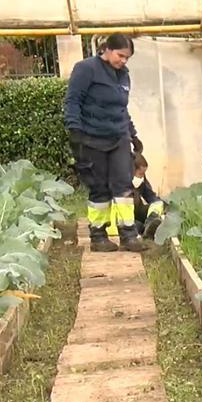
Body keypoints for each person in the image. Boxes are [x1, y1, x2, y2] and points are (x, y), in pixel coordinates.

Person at [64, 33, 146, 252]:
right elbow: (73, 101)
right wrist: (75, 131)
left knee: (124, 186)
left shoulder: (123, 75)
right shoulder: (86, 69)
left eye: (127, 58)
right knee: (99, 188)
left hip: (118, 137)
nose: (123, 61)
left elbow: (121, 108)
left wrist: (132, 134)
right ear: (107, 50)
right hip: (92, 138)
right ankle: (98, 236)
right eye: (121, 55)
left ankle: (129, 235)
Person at [104, 153, 164, 240]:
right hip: (120, 220)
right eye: (140, 173)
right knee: (137, 225)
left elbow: (152, 197)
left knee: (158, 204)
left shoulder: (140, 183)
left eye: (144, 174)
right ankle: (145, 231)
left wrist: (157, 210)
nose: (142, 177)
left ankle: (150, 224)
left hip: (135, 212)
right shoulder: (117, 183)